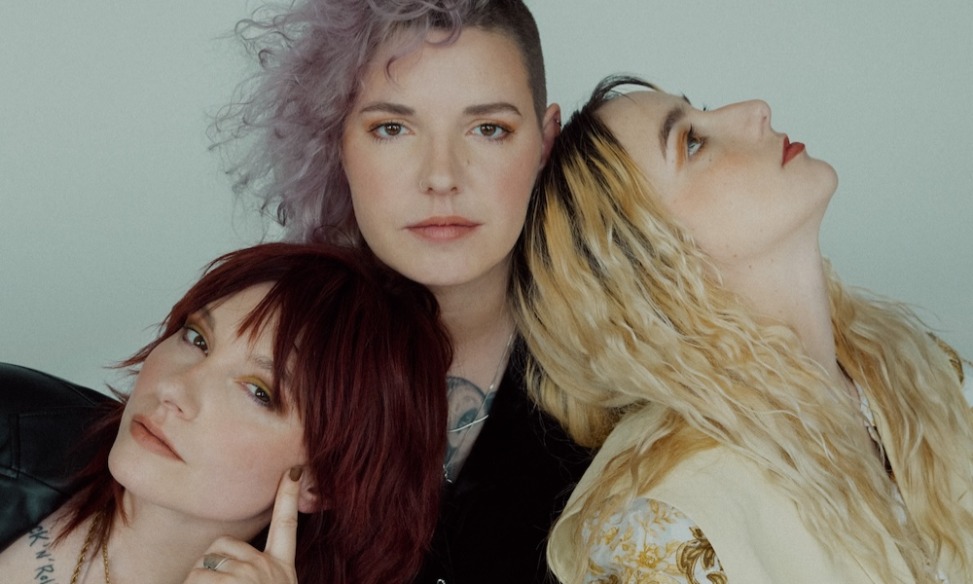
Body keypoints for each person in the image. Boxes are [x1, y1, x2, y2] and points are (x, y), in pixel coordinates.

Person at [513, 75, 973, 583]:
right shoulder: (664, 537)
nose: (756, 109)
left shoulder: (923, 370)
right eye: (692, 143)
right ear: (646, 264)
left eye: (702, 114)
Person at [215, 1, 591, 581]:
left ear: (545, 144)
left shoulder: (624, 382)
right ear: (335, 142)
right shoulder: (252, 353)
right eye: (392, 128)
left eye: (488, 129)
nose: (441, 177)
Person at [0, 242, 451, 584]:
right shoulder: (11, 424)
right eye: (196, 338)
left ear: (322, 481)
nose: (175, 388)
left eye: (258, 391)